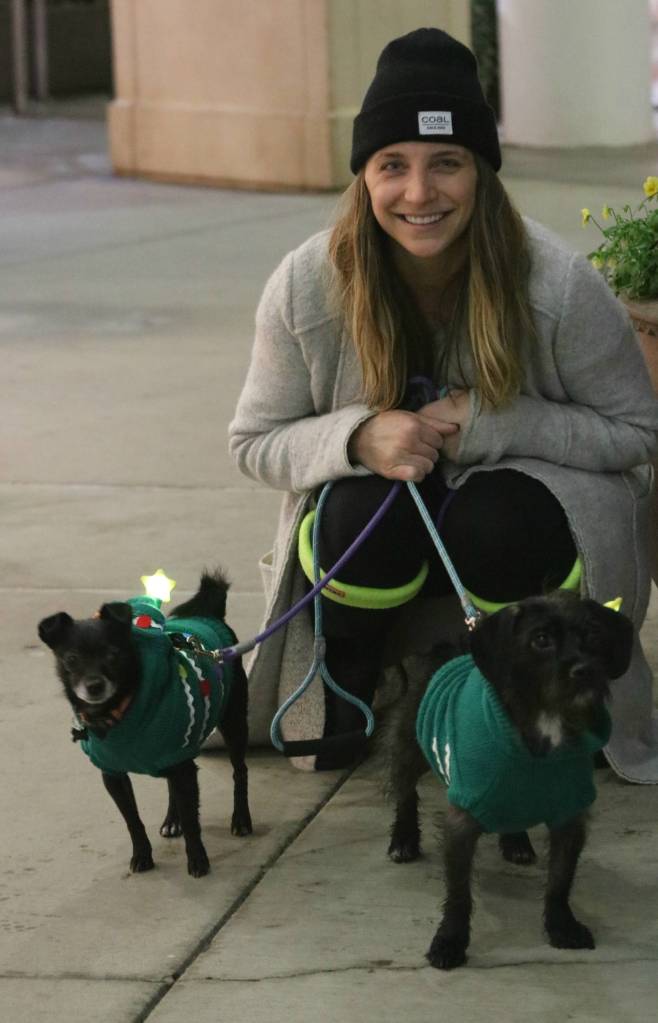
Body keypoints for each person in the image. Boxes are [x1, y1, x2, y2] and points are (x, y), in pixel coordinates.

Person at [229, 27, 658, 780]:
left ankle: (515, 691)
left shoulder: (557, 285)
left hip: (514, 537)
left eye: (446, 163)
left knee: (495, 517)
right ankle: (351, 684)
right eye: (393, 165)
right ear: (365, 175)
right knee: (358, 506)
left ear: (481, 172)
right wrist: (356, 438)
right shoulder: (305, 284)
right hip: (383, 528)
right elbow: (254, 441)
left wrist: (497, 423)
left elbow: (638, 430)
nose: (419, 193)